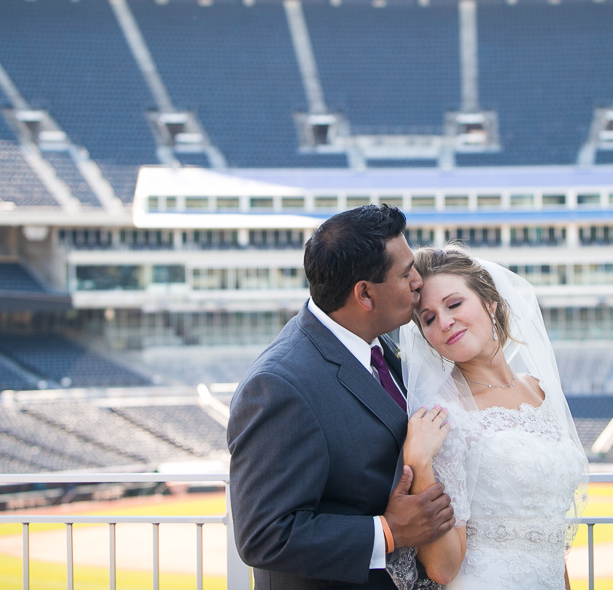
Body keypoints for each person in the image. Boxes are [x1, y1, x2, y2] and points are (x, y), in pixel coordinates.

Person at [227, 205, 455, 590]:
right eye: (405, 273)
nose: (419, 281)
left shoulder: (376, 343)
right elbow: (264, 535)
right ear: (364, 294)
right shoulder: (279, 385)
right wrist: (388, 531)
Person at [389, 246, 588, 590]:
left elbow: (550, 540)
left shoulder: (541, 393)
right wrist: (420, 464)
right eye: (429, 318)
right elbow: (442, 568)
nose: (445, 322)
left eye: (453, 304)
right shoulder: (443, 415)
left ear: (490, 301)